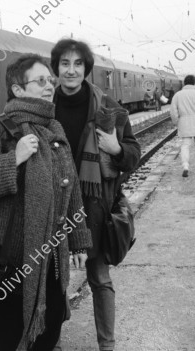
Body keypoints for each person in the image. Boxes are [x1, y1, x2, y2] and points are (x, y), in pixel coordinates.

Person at [0, 54, 92, 351]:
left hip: (53, 257)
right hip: (14, 262)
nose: (49, 86)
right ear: (18, 90)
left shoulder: (53, 130)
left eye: (51, 80)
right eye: (41, 81)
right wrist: (13, 159)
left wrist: (80, 240)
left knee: (51, 325)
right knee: (11, 336)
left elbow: (70, 188)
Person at [51, 39, 141, 351]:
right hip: (53, 207)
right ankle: (53, 342)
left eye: (77, 64)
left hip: (94, 208)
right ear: (56, 68)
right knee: (54, 282)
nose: (71, 70)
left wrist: (117, 149)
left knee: (99, 279)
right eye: (64, 63)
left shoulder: (108, 109)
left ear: (86, 69)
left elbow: (133, 153)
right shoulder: (44, 107)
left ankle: (107, 345)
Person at [170, 74, 195, 177]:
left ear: (184, 83)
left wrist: (176, 122)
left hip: (184, 124)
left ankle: (185, 166)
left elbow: (173, 112)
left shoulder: (177, 95)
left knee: (185, 145)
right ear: (194, 83)